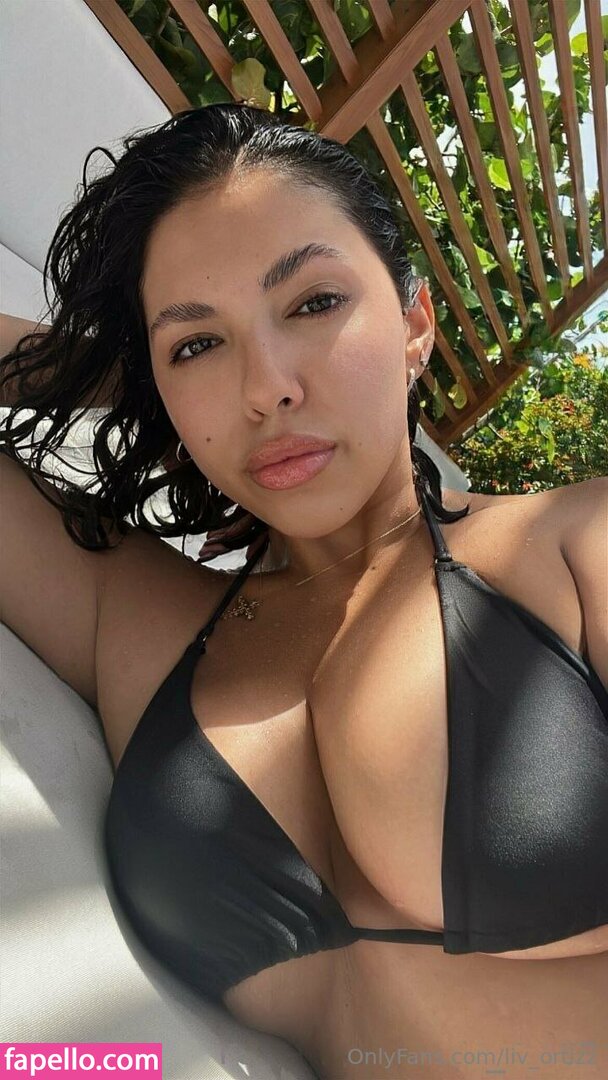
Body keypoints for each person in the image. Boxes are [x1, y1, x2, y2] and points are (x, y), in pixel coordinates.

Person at [1, 103, 607, 1080]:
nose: (266, 388)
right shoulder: (141, 624)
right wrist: (135, 384)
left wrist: (194, 358)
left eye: (313, 303)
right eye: (197, 345)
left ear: (413, 324)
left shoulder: (575, 547)